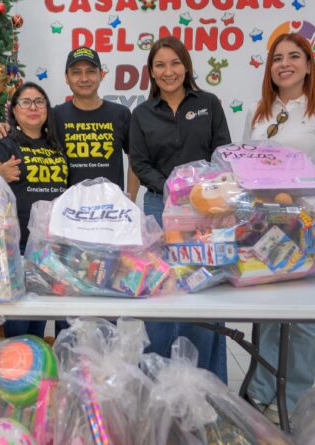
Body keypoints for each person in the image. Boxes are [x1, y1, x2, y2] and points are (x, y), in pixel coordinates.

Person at [243, 32, 315, 422]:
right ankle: (261, 391)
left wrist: (293, 191)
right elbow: (244, 164)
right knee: (266, 315)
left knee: (304, 319)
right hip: (264, 226)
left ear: (308, 64)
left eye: (293, 56)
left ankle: (296, 397)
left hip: (307, 225)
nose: (284, 64)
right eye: (277, 58)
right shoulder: (258, 110)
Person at [129, 36, 231, 383]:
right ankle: (157, 384)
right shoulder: (142, 114)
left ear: (186, 67)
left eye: (175, 63)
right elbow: (140, 163)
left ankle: (207, 384)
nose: (168, 71)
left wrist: (199, 193)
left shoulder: (209, 104)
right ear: (151, 72)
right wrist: (172, 188)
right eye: (160, 65)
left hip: (206, 208)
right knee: (161, 293)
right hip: (160, 207)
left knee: (203, 293)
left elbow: (222, 153)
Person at [0, 82, 68, 338]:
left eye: (39, 102)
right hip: (17, 244)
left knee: (40, 318)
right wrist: (0, 174)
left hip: (51, 246)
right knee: (19, 323)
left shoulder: (56, 145)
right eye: (25, 102)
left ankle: (39, 361)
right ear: (14, 110)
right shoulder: (4, 142)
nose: (33, 107)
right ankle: (18, 363)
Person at [54, 47, 140, 199]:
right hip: (68, 208)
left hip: (112, 208)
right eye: (76, 72)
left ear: (101, 75)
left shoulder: (121, 114)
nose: (84, 78)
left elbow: (136, 160)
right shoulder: (55, 115)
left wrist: (130, 201)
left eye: (91, 71)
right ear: (66, 77)